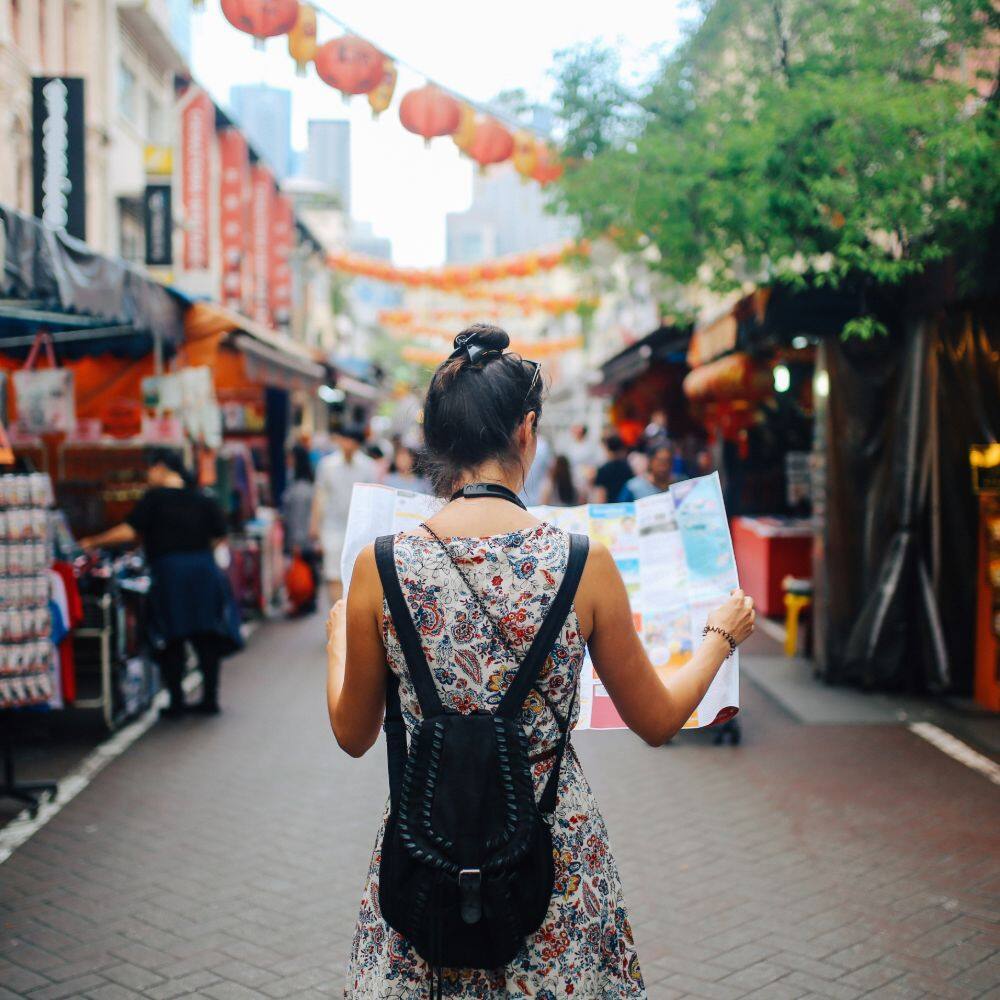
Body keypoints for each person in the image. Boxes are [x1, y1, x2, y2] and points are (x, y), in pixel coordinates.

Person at [324, 324, 755, 997]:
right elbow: (659, 718)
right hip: (551, 862)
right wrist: (719, 637)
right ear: (527, 432)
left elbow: (352, 735)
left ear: (439, 441)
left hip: (427, 854)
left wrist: (334, 646)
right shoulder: (585, 564)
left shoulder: (380, 567)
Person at [80, 449, 242, 717]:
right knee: (206, 637)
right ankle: (209, 699)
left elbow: (130, 530)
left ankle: (177, 701)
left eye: (151, 469)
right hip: (203, 571)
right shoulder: (201, 497)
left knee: (172, 637)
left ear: (163, 468)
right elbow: (220, 535)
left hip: (171, 574)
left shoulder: (154, 500)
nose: (148, 475)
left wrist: (93, 541)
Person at [311, 426, 376, 606]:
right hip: (332, 526)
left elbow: (373, 497)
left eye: (352, 441)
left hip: (359, 529)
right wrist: (315, 524)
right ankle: (339, 617)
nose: (348, 444)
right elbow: (320, 494)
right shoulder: (327, 465)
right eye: (344, 440)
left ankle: (351, 618)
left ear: (358, 444)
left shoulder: (368, 465)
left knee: (357, 574)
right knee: (333, 573)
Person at [282, 444, 318, 615]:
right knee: (308, 571)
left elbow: (298, 517)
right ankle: (306, 603)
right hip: (305, 539)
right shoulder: (304, 484)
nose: (288, 461)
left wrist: (296, 541)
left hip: (301, 540)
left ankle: (304, 603)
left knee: (303, 574)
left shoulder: (300, 488)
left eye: (290, 458)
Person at [592, 433, 633, 504]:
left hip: (610, 507)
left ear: (607, 449)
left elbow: (601, 494)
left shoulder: (603, 469)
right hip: (626, 505)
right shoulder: (628, 467)